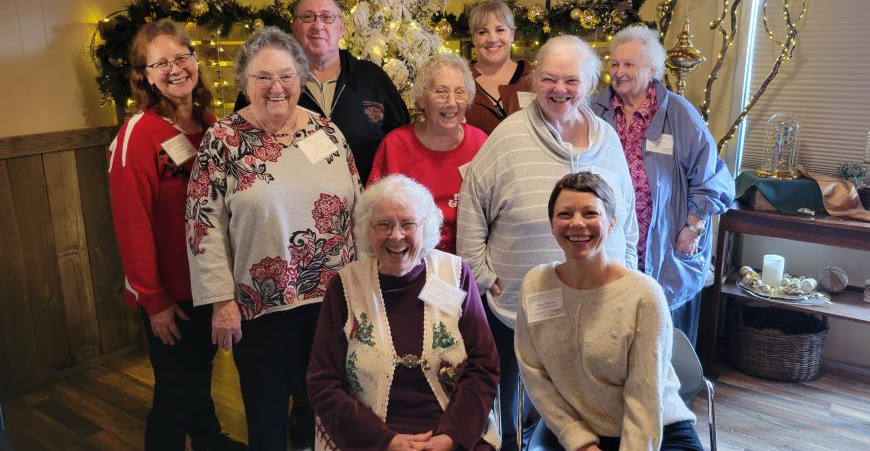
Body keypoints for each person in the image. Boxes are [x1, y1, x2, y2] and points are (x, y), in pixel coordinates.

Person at [457, 35, 639, 451]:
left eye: (572, 80)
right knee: (509, 412)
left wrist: (627, 269)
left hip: (597, 306)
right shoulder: (507, 136)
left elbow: (626, 216)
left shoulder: (606, 139)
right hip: (518, 306)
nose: (560, 90)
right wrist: (481, 275)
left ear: (591, 83)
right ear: (535, 79)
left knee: (585, 410)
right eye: (550, 79)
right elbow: (472, 205)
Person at [186, 26, 360, 451]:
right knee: (266, 414)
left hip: (332, 300)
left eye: (285, 75)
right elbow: (200, 224)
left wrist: (365, 286)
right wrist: (221, 301)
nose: (276, 87)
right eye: (263, 77)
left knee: (328, 404)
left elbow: (358, 207)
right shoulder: (222, 142)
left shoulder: (326, 132)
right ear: (245, 82)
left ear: (300, 78)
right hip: (261, 305)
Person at [108, 19, 245, 451]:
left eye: (181, 57)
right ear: (144, 75)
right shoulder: (138, 135)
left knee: (194, 377)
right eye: (160, 62)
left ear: (196, 61)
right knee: (172, 392)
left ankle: (208, 439)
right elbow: (132, 224)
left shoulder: (208, 123)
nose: (175, 68)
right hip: (171, 294)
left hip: (209, 282)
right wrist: (155, 301)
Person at [308, 174, 500, 451]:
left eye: (408, 224)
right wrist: (385, 441)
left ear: (427, 227)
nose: (396, 235)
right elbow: (323, 381)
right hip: (368, 437)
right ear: (367, 230)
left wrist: (451, 438)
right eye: (383, 225)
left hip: (453, 430)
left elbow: (484, 366)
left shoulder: (455, 273)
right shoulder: (346, 286)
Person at [515, 172, 702, 451]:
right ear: (552, 224)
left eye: (590, 213)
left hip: (656, 430)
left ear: (612, 222)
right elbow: (534, 374)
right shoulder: (536, 285)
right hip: (578, 430)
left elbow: (644, 397)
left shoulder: (643, 295)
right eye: (564, 214)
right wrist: (579, 441)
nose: (577, 223)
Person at [590, 25, 734, 344]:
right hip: (610, 242)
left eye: (629, 64)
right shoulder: (595, 111)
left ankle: (663, 393)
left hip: (663, 244)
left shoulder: (678, 113)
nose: (620, 71)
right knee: (611, 333)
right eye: (615, 64)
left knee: (661, 341)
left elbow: (714, 177)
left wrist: (693, 226)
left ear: (651, 70)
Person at [233, 0, 410, 183]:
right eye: (308, 17)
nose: (318, 25)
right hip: (293, 206)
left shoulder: (373, 78)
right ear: (294, 27)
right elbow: (240, 142)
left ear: (341, 27)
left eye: (327, 17)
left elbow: (402, 144)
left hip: (366, 207)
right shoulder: (266, 84)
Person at [368, 54, 487, 254]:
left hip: (467, 261)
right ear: (422, 99)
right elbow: (372, 214)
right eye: (441, 92)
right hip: (407, 259)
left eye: (460, 93)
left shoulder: (481, 143)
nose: (451, 102)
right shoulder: (395, 145)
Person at [465, 0, 533, 135]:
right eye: (482, 32)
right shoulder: (459, 80)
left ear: (512, 34)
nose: (492, 39)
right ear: (473, 38)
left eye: (500, 30)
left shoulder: (534, 80)